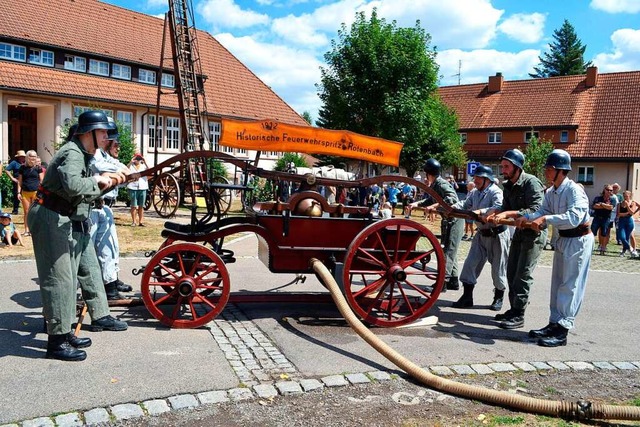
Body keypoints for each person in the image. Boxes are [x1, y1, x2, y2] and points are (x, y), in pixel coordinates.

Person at [28, 110, 126, 361]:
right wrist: (101, 180)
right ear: (89, 133)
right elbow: (73, 186)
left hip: (61, 217)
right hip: (51, 217)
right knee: (58, 279)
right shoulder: (72, 154)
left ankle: (65, 330)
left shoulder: (80, 153)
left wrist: (109, 182)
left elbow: (79, 193)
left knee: (69, 277)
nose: (107, 136)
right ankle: (56, 343)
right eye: (103, 132)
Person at [515, 149, 594, 347]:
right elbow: (543, 211)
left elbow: (575, 217)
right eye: (547, 169)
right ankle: (554, 323)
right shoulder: (551, 192)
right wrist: (527, 217)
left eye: (550, 169)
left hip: (578, 240)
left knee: (570, 284)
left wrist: (546, 219)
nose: (547, 172)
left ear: (561, 171)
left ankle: (563, 329)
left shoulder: (574, 190)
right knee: (558, 283)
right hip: (563, 239)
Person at [486, 149, 547, 329]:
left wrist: (509, 213)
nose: (503, 170)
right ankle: (513, 309)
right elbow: (504, 207)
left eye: (506, 166)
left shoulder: (531, 183)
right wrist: (492, 212)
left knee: (522, 275)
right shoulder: (508, 185)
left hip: (534, 233)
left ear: (517, 167)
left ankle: (519, 315)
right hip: (519, 232)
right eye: (502, 166)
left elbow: (537, 209)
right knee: (511, 272)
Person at [453, 164, 509, 310]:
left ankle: (498, 298)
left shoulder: (496, 191)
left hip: (497, 234)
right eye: (475, 177)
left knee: (498, 268)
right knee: (470, 264)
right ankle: (467, 297)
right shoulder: (475, 192)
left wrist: (481, 211)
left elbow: (499, 207)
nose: (475, 180)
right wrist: (451, 208)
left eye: (478, 178)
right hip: (481, 234)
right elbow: (465, 204)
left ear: (486, 179)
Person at [408, 158, 464, 291]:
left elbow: (452, 199)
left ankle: (442, 283)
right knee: (451, 250)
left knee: (448, 252)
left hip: (455, 220)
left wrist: (434, 206)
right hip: (448, 220)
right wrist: (417, 204)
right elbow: (431, 199)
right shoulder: (434, 184)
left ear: (429, 173)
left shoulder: (442, 183)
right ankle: (453, 281)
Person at [17, 150, 44, 236]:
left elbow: (42, 180)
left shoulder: (38, 168)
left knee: (35, 211)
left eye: (34, 157)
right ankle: (26, 230)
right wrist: (18, 192)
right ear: (27, 157)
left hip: (35, 192)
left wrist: (42, 192)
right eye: (31, 157)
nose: (33, 159)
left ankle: (35, 229)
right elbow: (19, 181)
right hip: (25, 192)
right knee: (26, 212)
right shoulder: (22, 168)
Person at [590, 184, 617, 255]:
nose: (609, 191)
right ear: (604, 190)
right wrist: (605, 206)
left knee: (604, 233)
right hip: (597, 217)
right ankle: (590, 247)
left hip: (606, 218)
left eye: (611, 190)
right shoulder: (598, 198)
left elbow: (611, 207)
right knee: (592, 232)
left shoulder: (612, 199)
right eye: (607, 190)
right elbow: (595, 206)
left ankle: (602, 248)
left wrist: (601, 204)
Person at [127, 154, 149, 226]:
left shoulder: (143, 166)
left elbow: (149, 170)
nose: (138, 160)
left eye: (139, 158)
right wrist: (131, 162)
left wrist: (145, 161)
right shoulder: (131, 166)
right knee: (133, 205)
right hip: (133, 187)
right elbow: (126, 169)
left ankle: (141, 221)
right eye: (136, 158)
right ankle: (134, 221)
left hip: (142, 186)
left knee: (141, 206)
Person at [616, 190, 639, 257]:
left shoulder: (633, 203)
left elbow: (631, 212)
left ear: (630, 196)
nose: (625, 197)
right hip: (622, 221)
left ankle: (623, 251)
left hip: (629, 221)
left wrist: (627, 206)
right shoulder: (620, 204)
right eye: (624, 196)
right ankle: (630, 249)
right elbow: (618, 214)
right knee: (622, 237)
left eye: (627, 196)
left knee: (627, 237)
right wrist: (627, 213)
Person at [5, 150, 26, 214]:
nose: (22, 157)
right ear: (18, 157)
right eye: (21, 156)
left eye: (23, 156)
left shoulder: (26, 162)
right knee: (16, 195)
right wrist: (12, 178)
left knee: (25, 195)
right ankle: (15, 210)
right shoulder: (14, 163)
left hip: (26, 181)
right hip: (17, 182)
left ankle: (26, 209)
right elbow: (6, 170)